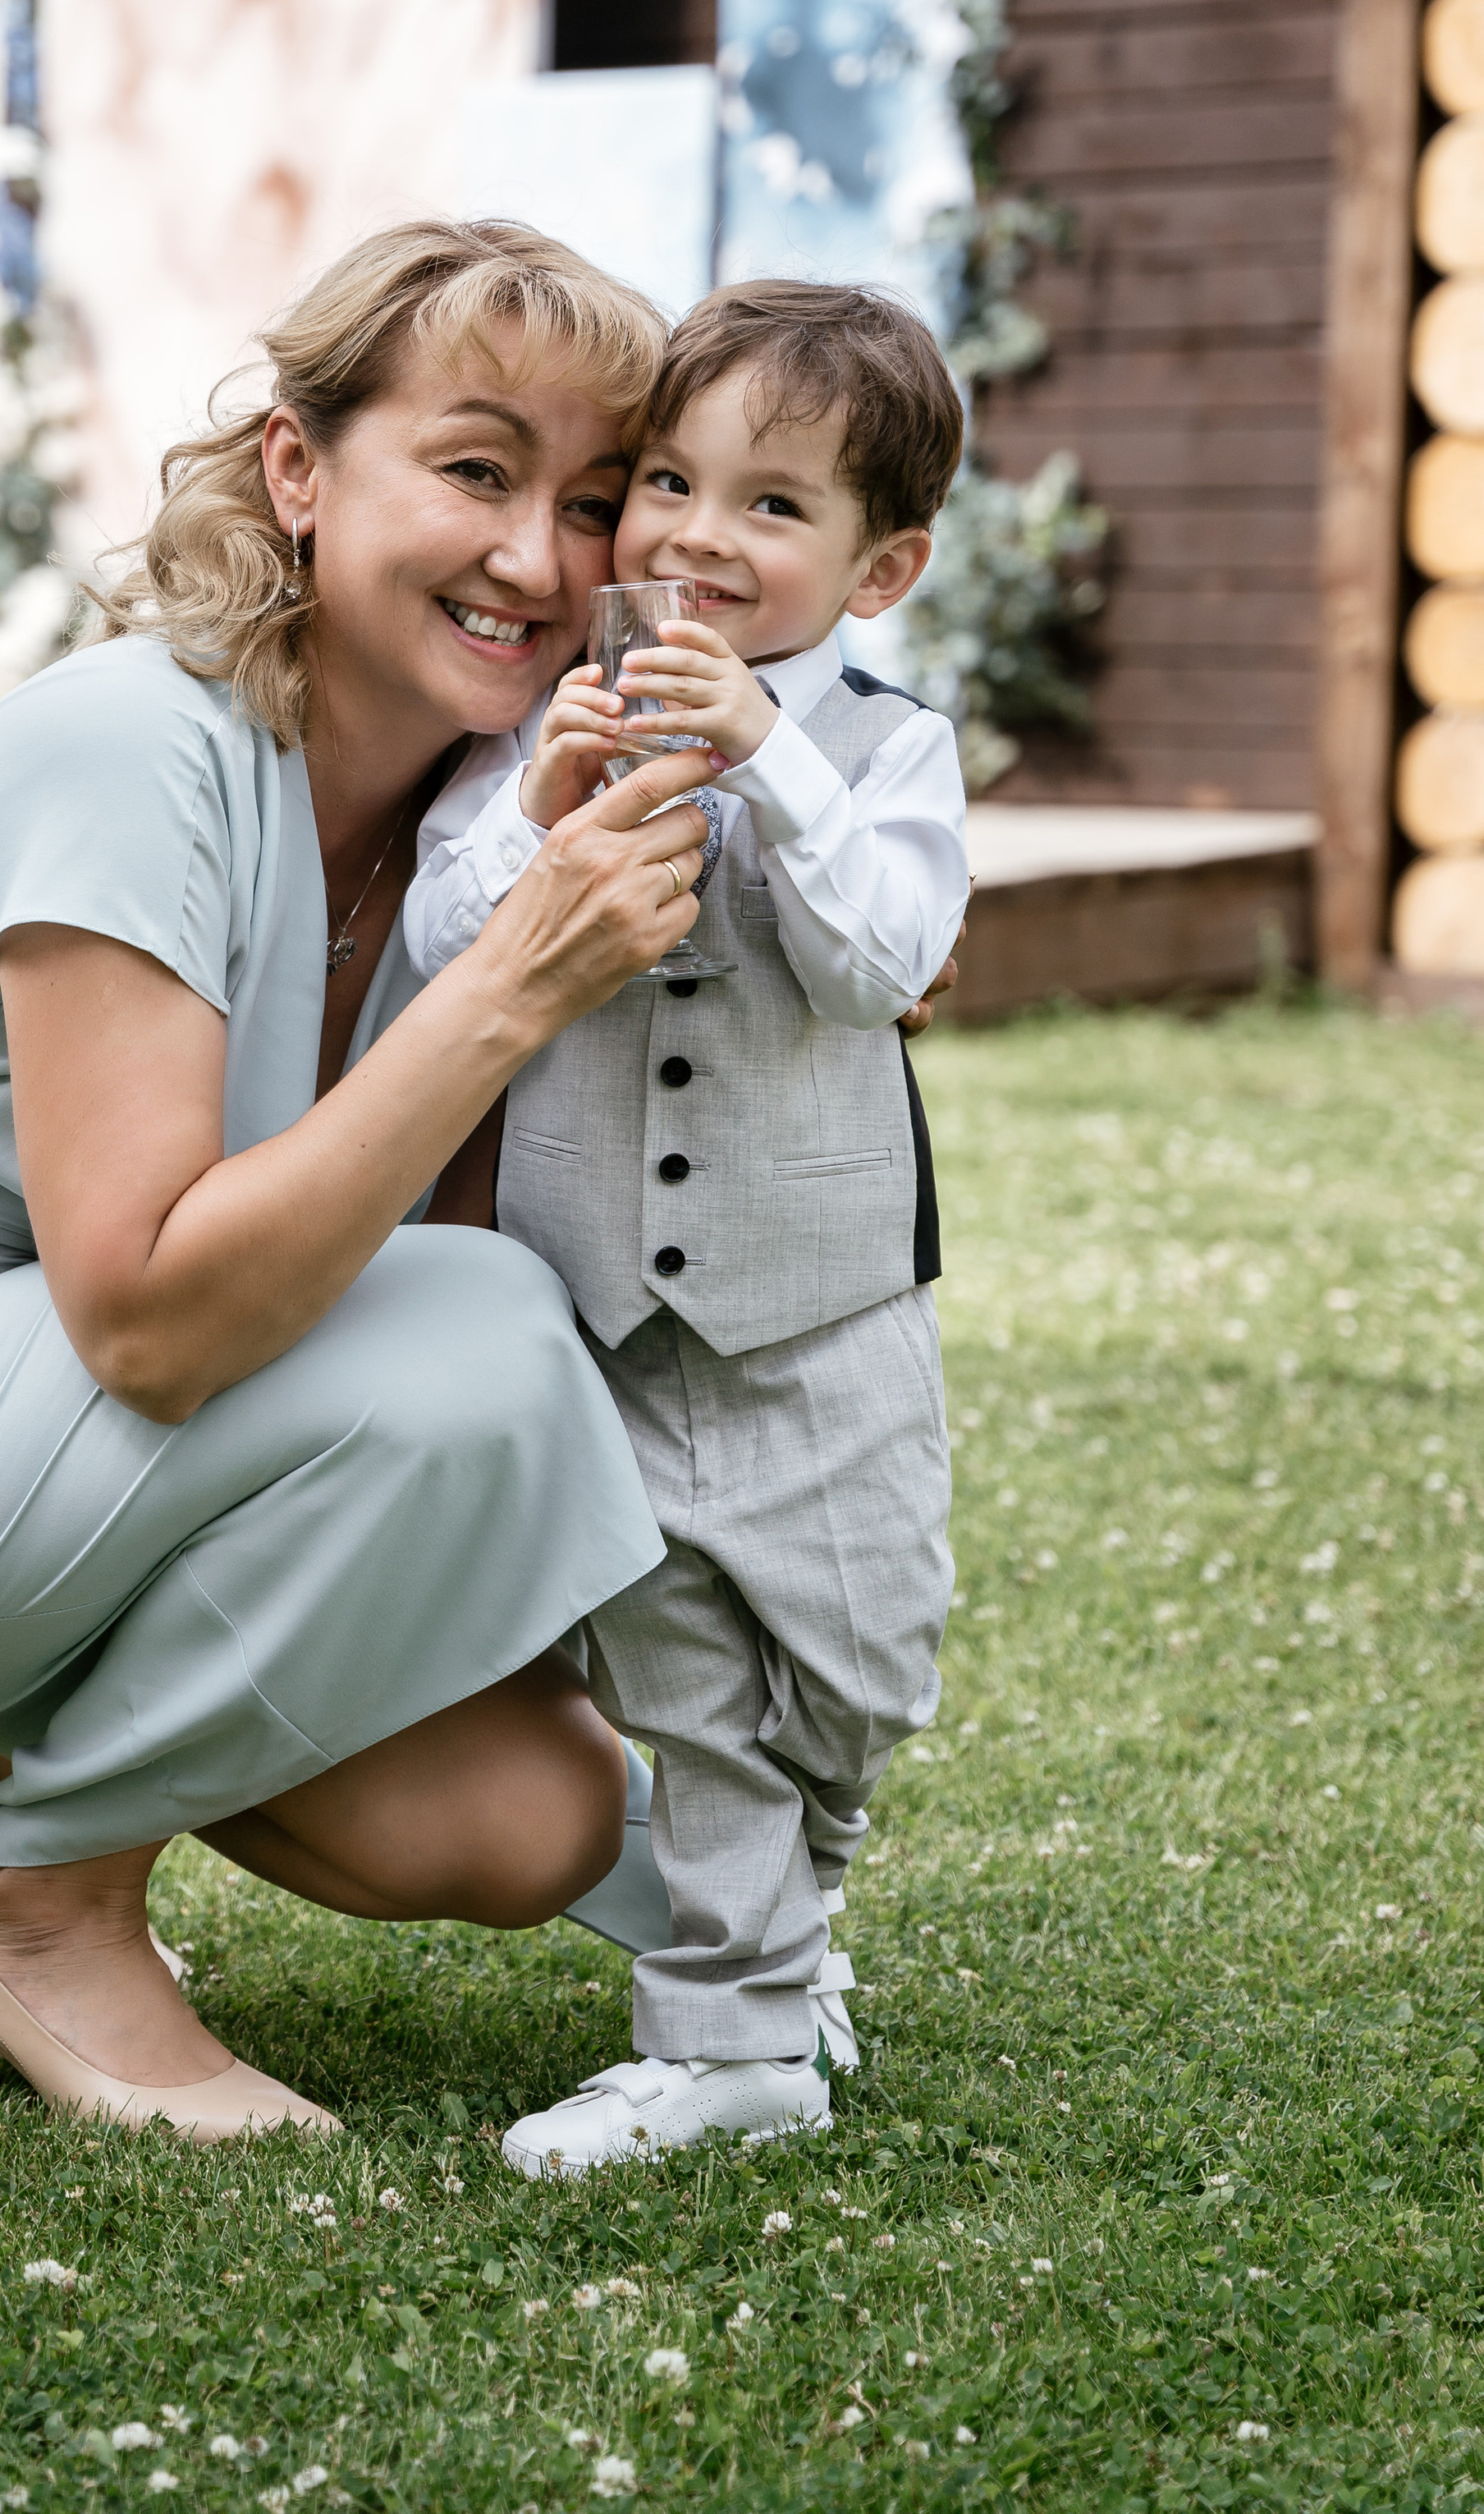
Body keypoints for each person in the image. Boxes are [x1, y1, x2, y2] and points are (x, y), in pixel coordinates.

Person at [0, 219, 725, 2143]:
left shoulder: (456, 813)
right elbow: (156, 1321)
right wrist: (516, 984)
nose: (533, 556)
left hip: (13, 1410)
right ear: (296, 468)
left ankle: (0, 1700)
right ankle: (30, 1905)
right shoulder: (138, 748)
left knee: (528, 1815)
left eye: (591, 500)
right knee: (484, 1333)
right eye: (473, 468)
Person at [401, 278, 971, 2173]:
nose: (693, 538)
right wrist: (538, 823)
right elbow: (439, 951)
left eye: (771, 504)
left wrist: (767, 763)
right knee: (690, 1686)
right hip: (600, 1322)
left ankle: (780, 1959)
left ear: (875, 570)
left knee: (861, 1669)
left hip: (821, 1311)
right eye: (665, 481)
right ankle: (730, 2045)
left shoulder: (886, 754)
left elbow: (873, 960)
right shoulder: (539, 733)